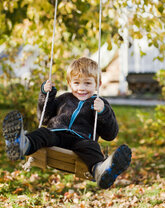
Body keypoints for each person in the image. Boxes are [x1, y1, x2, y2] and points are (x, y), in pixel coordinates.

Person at [2, 57, 132, 189]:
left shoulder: (100, 104)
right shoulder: (64, 99)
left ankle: (101, 170)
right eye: (76, 83)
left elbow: (110, 134)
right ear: (69, 84)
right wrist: (46, 95)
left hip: (80, 140)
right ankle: (21, 144)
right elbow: (44, 118)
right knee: (43, 133)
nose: (81, 88)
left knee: (92, 147)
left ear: (97, 84)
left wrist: (103, 111)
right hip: (57, 134)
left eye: (87, 83)